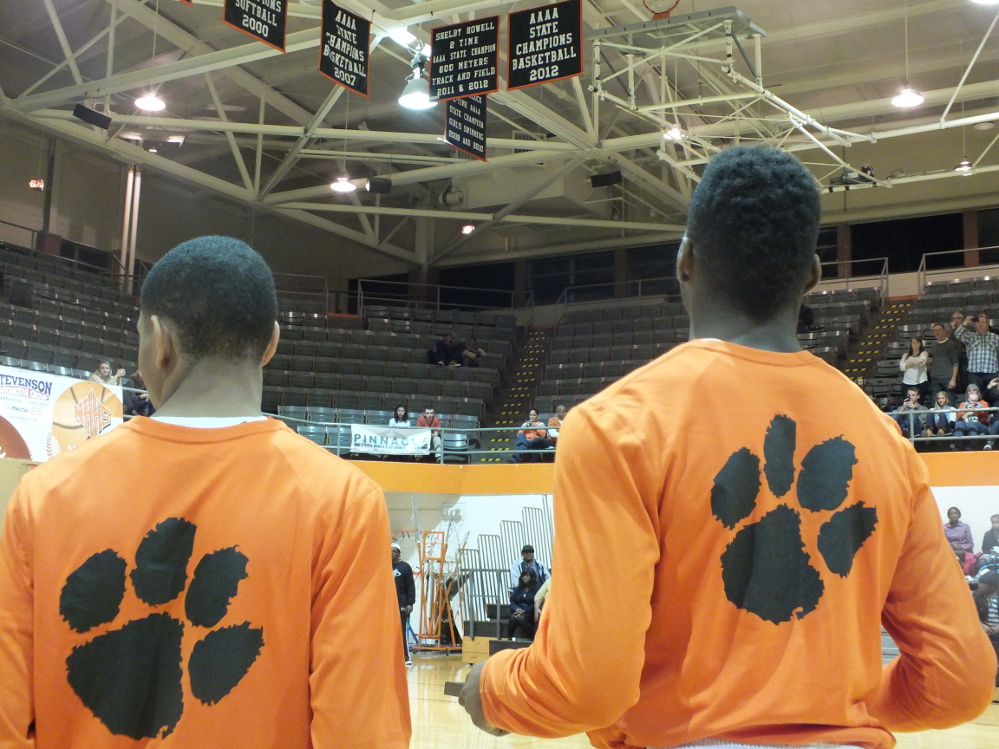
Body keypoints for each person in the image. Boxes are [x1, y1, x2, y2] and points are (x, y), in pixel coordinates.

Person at [460, 146, 995, 747]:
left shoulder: (616, 427)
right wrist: (835, 703)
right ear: (812, 276)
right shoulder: (884, 440)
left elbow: (586, 687)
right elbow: (959, 681)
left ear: (685, 260)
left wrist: (492, 686)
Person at [0, 236, 411, 747]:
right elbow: (360, 733)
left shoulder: (43, 497)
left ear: (159, 341)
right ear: (271, 344)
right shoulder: (343, 503)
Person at [955, 312, 999, 397]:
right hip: (974, 373)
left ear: (987, 325)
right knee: (974, 397)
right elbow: (957, 334)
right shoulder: (970, 336)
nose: (980, 324)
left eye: (983, 322)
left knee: (993, 396)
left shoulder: (995, 337)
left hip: (992, 372)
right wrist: (965, 322)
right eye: (978, 322)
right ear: (975, 325)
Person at [973, 570, 999, 688]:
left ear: (990, 586)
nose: (979, 585)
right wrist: (983, 626)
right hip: (983, 631)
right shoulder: (976, 596)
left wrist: (996, 629)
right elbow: (972, 616)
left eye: (981, 584)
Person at [392, 543, 416, 666]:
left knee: (401, 631)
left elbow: (410, 586)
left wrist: (410, 603)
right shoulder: (384, 566)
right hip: (387, 606)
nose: (391, 553)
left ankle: (405, 657)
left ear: (399, 553)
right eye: (389, 551)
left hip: (401, 605)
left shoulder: (405, 567)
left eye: (394, 551)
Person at [928, 322, 960, 403]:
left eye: (939, 330)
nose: (937, 332)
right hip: (935, 378)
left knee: (950, 401)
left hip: (948, 377)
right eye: (935, 330)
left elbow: (955, 362)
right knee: (935, 402)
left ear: (944, 331)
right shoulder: (934, 345)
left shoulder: (951, 344)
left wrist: (953, 379)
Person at [953, 383, 990, 448]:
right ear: (967, 393)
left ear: (978, 392)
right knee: (959, 424)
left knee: (971, 424)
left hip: (981, 424)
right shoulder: (963, 403)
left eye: (974, 390)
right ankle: (957, 446)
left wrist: (967, 413)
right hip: (965, 423)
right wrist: (970, 412)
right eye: (969, 391)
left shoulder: (983, 403)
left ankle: (973, 446)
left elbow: (981, 413)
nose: (971, 392)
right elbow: (959, 415)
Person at [507, 570, 540, 640]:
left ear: (532, 577)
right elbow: (512, 602)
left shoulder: (536, 589)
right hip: (518, 610)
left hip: (530, 612)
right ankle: (509, 638)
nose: (525, 577)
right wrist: (517, 609)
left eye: (527, 576)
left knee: (521, 618)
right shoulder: (518, 589)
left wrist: (525, 611)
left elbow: (535, 603)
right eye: (523, 575)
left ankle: (531, 638)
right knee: (513, 617)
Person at [898, 337, 928, 403]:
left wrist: (911, 364)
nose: (915, 344)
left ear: (920, 344)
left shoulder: (924, 353)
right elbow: (902, 367)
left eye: (917, 342)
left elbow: (923, 359)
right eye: (913, 342)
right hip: (907, 383)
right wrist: (911, 364)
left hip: (920, 383)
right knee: (907, 402)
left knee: (919, 403)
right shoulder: (905, 355)